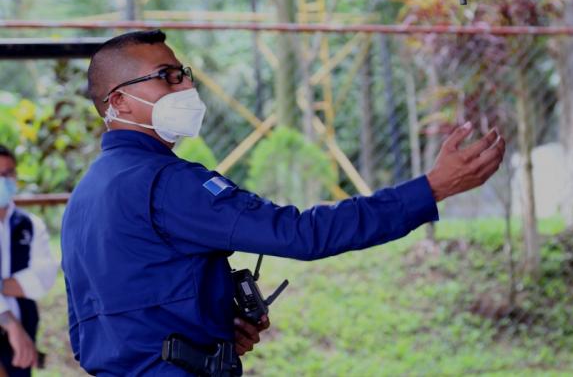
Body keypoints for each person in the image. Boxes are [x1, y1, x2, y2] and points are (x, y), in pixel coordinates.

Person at [61, 30, 505, 375]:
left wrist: (211, 326)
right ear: (118, 101)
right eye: (166, 76)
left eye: (184, 74)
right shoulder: (166, 183)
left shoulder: (85, 195)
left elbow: (107, 315)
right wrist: (430, 189)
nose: (183, 87)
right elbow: (302, 234)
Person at [0, 146, 59, 376]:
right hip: (14, 329)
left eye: (8, 173)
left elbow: (43, 278)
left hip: (24, 331)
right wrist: (10, 323)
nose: (4, 181)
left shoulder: (30, 224)